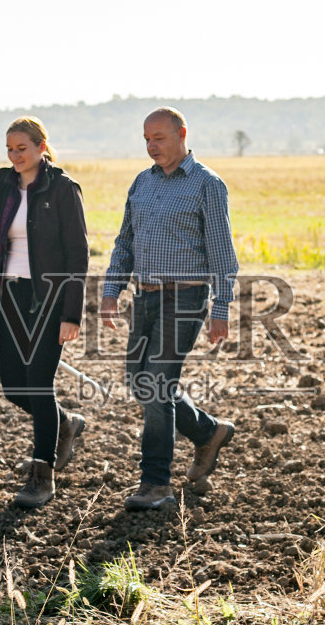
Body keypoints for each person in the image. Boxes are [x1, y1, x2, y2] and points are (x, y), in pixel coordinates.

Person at [101, 108, 238, 511]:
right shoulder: (141, 183)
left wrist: (221, 308)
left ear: (181, 134)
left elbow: (222, 254)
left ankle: (156, 483)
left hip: (186, 297)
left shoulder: (207, 184)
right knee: (139, 381)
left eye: (158, 138)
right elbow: (124, 242)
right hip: (145, 297)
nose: (151, 146)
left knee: (157, 384)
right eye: (146, 139)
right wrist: (112, 289)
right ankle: (209, 432)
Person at [0, 116, 89, 508]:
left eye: (21, 148)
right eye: (9, 149)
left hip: (50, 299)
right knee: (14, 385)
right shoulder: (4, 188)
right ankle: (64, 422)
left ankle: (42, 477)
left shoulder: (62, 188)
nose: (14, 156)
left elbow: (78, 254)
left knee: (38, 383)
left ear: (42, 146)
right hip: (11, 295)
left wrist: (71, 314)